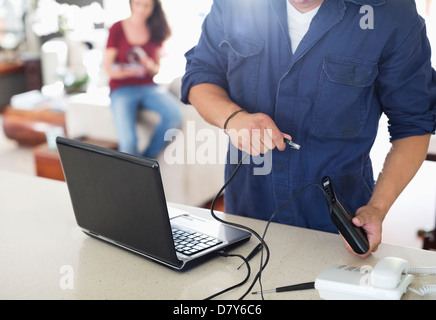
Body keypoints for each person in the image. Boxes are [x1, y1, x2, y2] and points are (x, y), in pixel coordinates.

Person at [181, 0, 436, 258]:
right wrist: (233, 118)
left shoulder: (392, 12)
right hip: (247, 214)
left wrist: (377, 208)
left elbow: (413, 124)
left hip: (337, 224)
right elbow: (200, 75)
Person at [104, 0, 182, 159]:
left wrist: (149, 66)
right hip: (122, 89)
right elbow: (108, 68)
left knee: (174, 116)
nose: (141, 9)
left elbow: (156, 70)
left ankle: (144, 163)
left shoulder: (157, 30)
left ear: (153, 7)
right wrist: (129, 72)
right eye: (138, 4)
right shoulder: (117, 28)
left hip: (149, 87)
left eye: (147, 6)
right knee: (128, 141)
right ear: (131, 4)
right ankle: (137, 170)